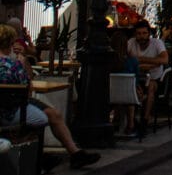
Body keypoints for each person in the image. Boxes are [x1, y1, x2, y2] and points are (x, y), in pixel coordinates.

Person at [0, 24, 100, 169]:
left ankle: (49, 156)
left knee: (51, 114)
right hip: (12, 111)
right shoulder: (14, 64)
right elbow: (27, 91)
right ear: (9, 43)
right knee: (42, 118)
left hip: (9, 108)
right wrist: (22, 63)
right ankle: (37, 157)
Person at [126, 20, 168, 131]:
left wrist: (140, 60)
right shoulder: (131, 43)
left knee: (151, 87)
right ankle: (129, 121)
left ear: (149, 33)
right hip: (135, 78)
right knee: (127, 87)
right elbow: (125, 60)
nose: (142, 37)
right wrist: (149, 64)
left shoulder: (157, 43)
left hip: (155, 78)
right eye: (139, 34)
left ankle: (145, 119)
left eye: (144, 33)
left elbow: (164, 59)